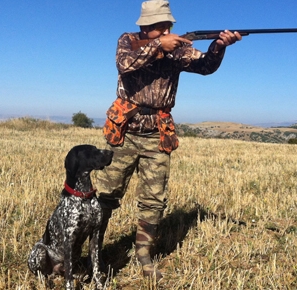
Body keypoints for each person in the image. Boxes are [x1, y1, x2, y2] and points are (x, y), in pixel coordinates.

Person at [94, 0, 241, 280]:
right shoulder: (128, 40)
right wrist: (159, 47)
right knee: (106, 194)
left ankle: (144, 254)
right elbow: (123, 64)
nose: (166, 29)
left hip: (157, 133)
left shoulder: (179, 48)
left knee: (154, 200)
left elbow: (206, 66)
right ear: (145, 26)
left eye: (168, 25)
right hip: (124, 130)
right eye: (160, 26)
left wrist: (219, 46)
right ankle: (94, 247)